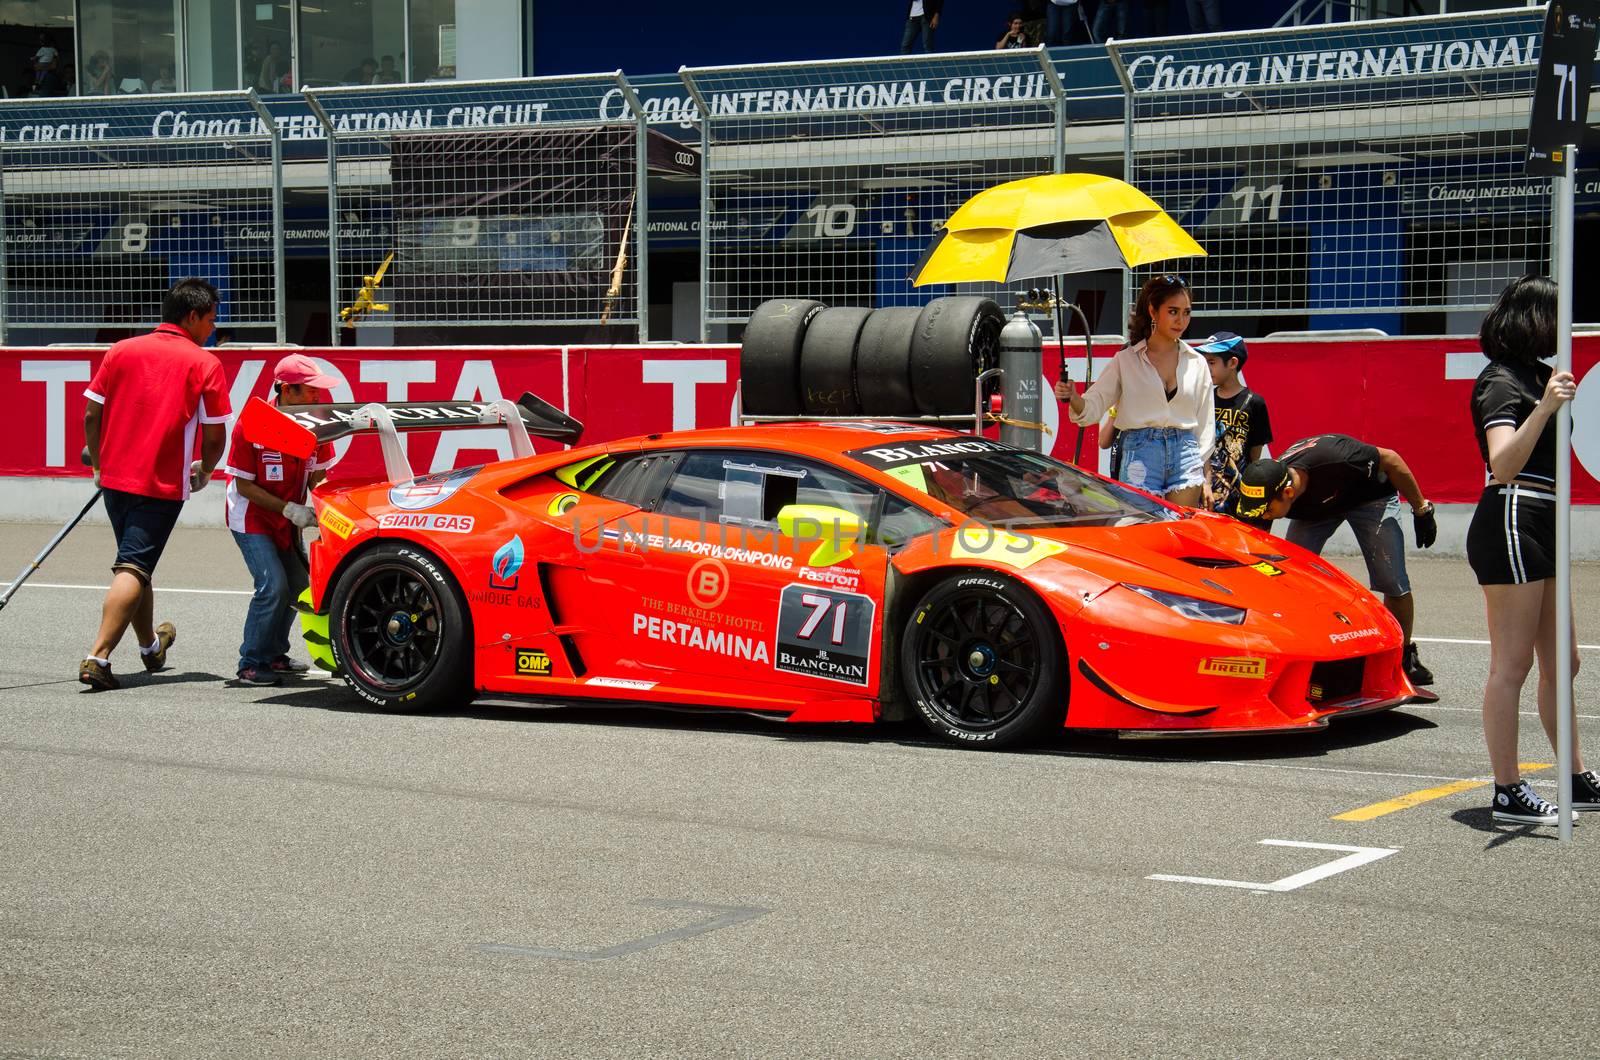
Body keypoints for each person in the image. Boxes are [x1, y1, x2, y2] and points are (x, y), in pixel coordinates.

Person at [1464, 275, 1595, 823]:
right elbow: (1502, 463)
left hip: (1543, 517)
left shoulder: (1543, 375)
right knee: (1512, 663)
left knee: (1563, 661)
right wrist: (1543, 408)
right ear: (1535, 318)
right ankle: (1507, 788)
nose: (1564, 329)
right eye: (1558, 316)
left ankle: (1572, 775)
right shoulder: (1500, 381)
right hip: (1512, 513)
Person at [79, 279, 231, 691]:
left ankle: (149, 647)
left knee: (136, 563)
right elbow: (215, 436)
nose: (212, 329)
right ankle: (98, 656)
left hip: (114, 479)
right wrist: (207, 469)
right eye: (211, 320)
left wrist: (99, 464)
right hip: (159, 483)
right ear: (193, 315)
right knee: (133, 566)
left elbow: (91, 414)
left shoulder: (121, 350)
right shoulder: (203, 363)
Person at [1235, 436, 1437, 686]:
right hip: (1317, 508)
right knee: (1288, 578)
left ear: (1288, 493)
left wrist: (1421, 509)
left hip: (1369, 498)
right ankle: (1297, 652)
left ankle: (1405, 657)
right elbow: (1255, 548)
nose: (1262, 518)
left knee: (1391, 578)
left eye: (1265, 512)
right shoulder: (1270, 486)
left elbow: (1392, 459)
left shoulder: (1338, 458)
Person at [225, 355, 337, 686]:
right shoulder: (252, 423)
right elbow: (244, 485)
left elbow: (319, 478)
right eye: (311, 391)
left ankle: (274, 655)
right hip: (251, 516)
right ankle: (250, 663)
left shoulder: (319, 423)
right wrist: (289, 509)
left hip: (288, 518)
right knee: (272, 585)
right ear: (288, 390)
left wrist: (326, 507)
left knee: (299, 587)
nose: (319, 397)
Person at [1056, 275, 1214, 508]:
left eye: (1187, 312)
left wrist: (1204, 475)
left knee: (1182, 532)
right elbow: (1092, 406)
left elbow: (1205, 425)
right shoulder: (1126, 360)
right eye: (1173, 311)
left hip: (1186, 453)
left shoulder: (1197, 362)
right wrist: (1074, 397)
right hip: (1140, 452)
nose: (1181, 320)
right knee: (1143, 533)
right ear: (1153, 311)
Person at [1195, 332, 1272, 524]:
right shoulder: (1204, 399)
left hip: (1237, 496)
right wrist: (1205, 483)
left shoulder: (1255, 403)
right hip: (1204, 491)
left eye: (1211, 362)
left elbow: (1255, 455)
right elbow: (1199, 445)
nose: (1206, 368)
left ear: (1232, 363)